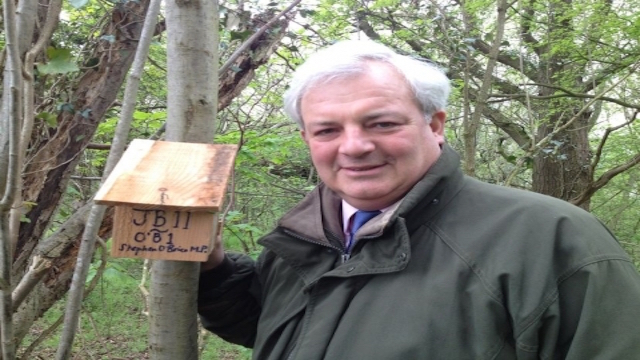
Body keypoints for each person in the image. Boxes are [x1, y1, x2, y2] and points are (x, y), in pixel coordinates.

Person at [198, 40, 640, 359]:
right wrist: (212, 272)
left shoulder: (549, 239)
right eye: (327, 130)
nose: (353, 146)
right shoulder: (306, 236)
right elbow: (282, 330)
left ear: (435, 125)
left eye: (382, 123)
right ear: (307, 138)